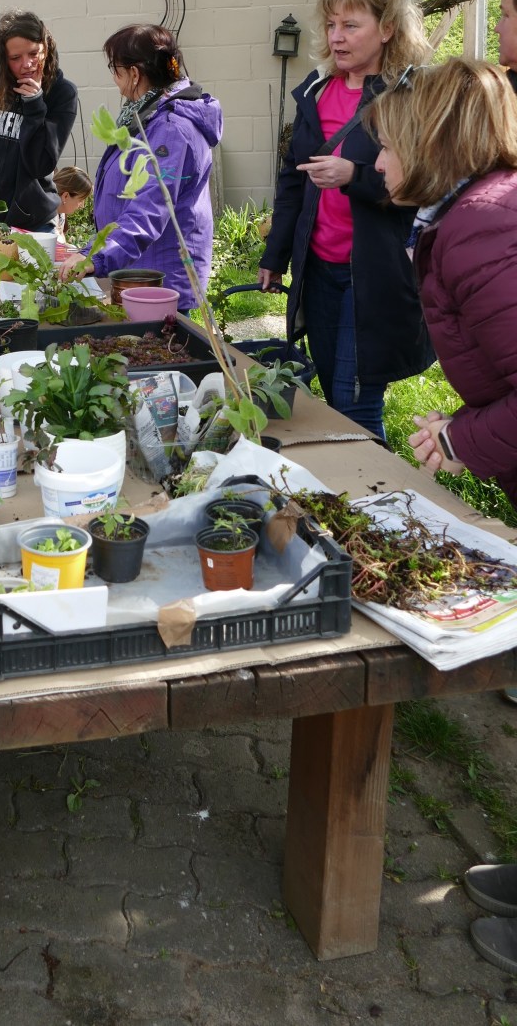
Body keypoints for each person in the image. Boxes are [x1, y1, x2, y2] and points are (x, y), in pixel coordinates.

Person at [365, 56, 517, 970]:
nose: (377, 161)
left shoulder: (479, 231)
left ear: (429, 144)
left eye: (386, 144)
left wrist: (464, 441)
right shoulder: (468, 218)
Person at [257, 0, 434, 437]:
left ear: (388, 28)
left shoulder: (408, 96)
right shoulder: (315, 92)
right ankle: (357, 498)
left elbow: (423, 188)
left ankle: (376, 500)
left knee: (356, 401)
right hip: (318, 268)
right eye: (332, 24)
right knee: (334, 399)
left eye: (351, 25)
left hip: (372, 273)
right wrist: (276, 255)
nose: (337, 37)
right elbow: (292, 181)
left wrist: (354, 175)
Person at [58, 25, 222, 308]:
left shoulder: (171, 129)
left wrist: (96, 257)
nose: (113, 78)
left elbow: (149, 207)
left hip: (163, 284)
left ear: (135, 74)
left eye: (115, 69)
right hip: (142, 273)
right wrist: (90, 250)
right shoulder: (150, 117)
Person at [0, 9, 78, 238]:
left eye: (34, 53)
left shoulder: (61, 93)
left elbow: (40, 165)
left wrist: (35, 105)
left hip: (33, 224)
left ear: (46, 49)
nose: (27, 64)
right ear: (2, 57)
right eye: (15, 58)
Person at [53, 165, 92, 245]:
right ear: (65, 196)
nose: (82, 206)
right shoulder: (47, 221)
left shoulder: (61, 214)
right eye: (81, 200)